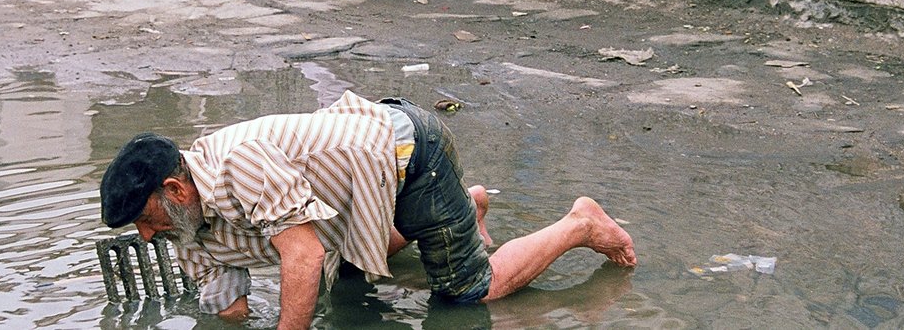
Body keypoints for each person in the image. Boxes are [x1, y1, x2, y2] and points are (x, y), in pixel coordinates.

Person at [99, 91, 637, 329]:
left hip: (409, 153)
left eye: (146, 221)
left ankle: (579, 223)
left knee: (471, 293)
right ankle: (463, 211)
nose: (146, 238)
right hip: (361, 187)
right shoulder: (185, 228)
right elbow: (228, 305)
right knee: (349, 280)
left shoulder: (240, 164)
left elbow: (304, 256)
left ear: (176, 189)